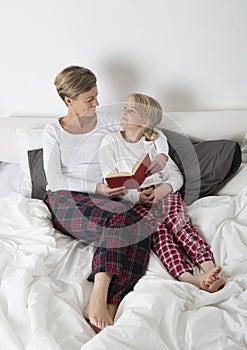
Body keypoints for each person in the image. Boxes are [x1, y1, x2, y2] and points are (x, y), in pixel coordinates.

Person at [42, 66, 169, 333]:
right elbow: (54, 180)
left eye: (96, 95)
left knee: (140, 224)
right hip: (65, 199)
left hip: (106, 196)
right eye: (89, 99)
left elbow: (152, 131)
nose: (97, 103)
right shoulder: (53, 132)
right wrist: (97, 188)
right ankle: (99, 294)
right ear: (69, 101)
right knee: (117, 217)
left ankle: (113, 300)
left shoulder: (108, 119)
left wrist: (161, 155)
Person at [99, 93, 226, 293]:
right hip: (136, 200)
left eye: (131, 110)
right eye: (124, 107)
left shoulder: (155, 143)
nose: (123, 112)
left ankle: (210, 270)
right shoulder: (110, 140)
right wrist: (136, 196)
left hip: (163, 193)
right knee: (161, 236)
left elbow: (176, 177)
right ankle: (191, 279)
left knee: (182, 226)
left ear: (146, 121)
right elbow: (110, 180)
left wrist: (161, 191)